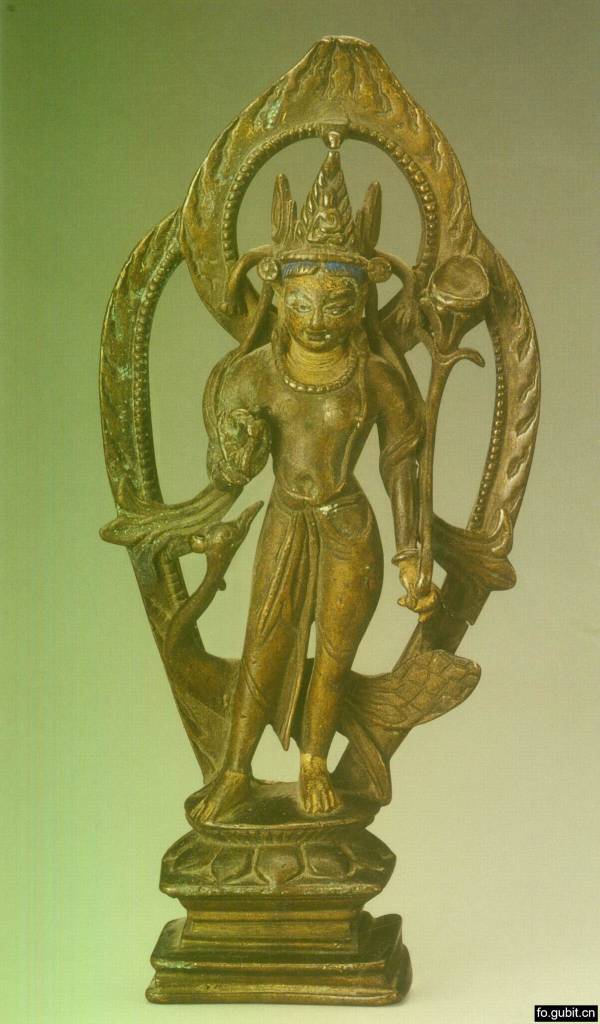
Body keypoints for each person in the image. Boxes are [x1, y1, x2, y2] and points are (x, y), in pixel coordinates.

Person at [193, 137, 437, 821]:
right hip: (286, 519)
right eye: (301, 303)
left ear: (362, 303)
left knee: (333, 653)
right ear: (277, 297)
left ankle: (314, 761)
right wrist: (234, 452)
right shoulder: (256, 374)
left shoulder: (375, 377)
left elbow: (402, 459)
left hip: (348, 526)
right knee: (264, 644)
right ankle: (235, 769)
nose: (317, 320)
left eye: (336, 304)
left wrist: (412, 552)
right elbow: (229, 470)